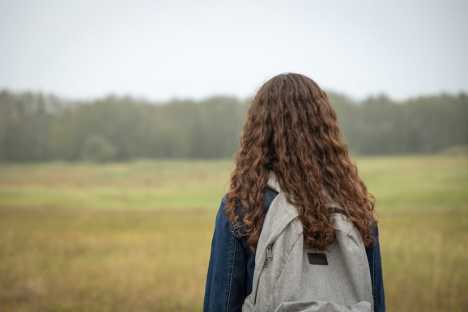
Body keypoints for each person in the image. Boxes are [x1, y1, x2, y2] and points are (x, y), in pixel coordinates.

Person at [203, 73, 385, 312]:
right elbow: (376, 305)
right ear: (324, 131)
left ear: (259, 133)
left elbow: (221, 305)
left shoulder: (244, 208)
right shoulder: (355, 210)